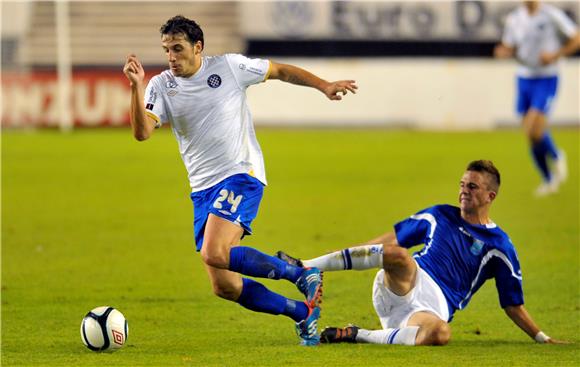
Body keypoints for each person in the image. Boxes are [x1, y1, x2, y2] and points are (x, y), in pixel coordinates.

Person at [122, 15, 358, 346]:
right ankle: (302, 313)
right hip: (202, 190)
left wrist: (324, 86)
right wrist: (136, 86)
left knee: (214, 251)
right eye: (167, 50)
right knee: (225, 287)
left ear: (198, 47)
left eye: (178, 48)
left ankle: (301, 273)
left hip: (240, 173)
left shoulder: (229, 68)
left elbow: (280, 71)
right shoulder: (161, 85)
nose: (172, 57)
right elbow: (142, 132)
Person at [277, 160, 568, 346]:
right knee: (400, 255)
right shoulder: (439, 215)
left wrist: (541, 337)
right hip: (405, 284)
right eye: (462, 184)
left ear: (490, 196)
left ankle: (356, 334)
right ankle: (305, 266)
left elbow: (512, 303)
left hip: (430, 312)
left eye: (473, 187)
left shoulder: (500, 246)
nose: (464, 191)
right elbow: (391, 240)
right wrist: (346, 252)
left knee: (441, 334)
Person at [494, 1, 580, 196]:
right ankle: (548, 179)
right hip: (524, 78)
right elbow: (510, 46)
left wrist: (556, 54)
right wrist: (504, 51)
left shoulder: (551, 15)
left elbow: (576, 38)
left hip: (546, 77)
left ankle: (557, 155)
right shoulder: (515, 18)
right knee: (530, 134)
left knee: (534, 125)